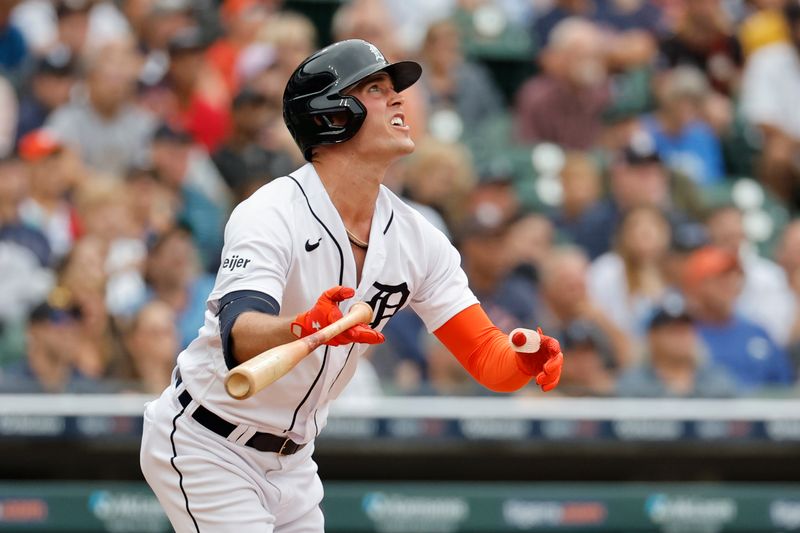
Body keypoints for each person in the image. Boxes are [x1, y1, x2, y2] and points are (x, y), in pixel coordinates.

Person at [139, 39, 564, 532]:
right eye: (377, 89)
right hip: (207, 441)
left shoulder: (418, 238)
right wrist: (304, 327)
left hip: (295, 459)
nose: (399, 99)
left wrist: (522, 361)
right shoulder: (270, 212)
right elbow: (238, 334)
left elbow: (487, 359)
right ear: (331, 113)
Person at [682, 245, 794, 392]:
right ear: (696, 285)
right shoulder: (680, 334)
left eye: (734, 277)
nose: (730, 284)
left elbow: (784, 386)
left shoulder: (756, 332)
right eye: (719, 279)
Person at [616, 295, 739, 398]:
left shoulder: (717, 380)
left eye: (685, 330)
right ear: (652, 337)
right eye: (673, 331)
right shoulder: (632, 383)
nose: (681, 338)